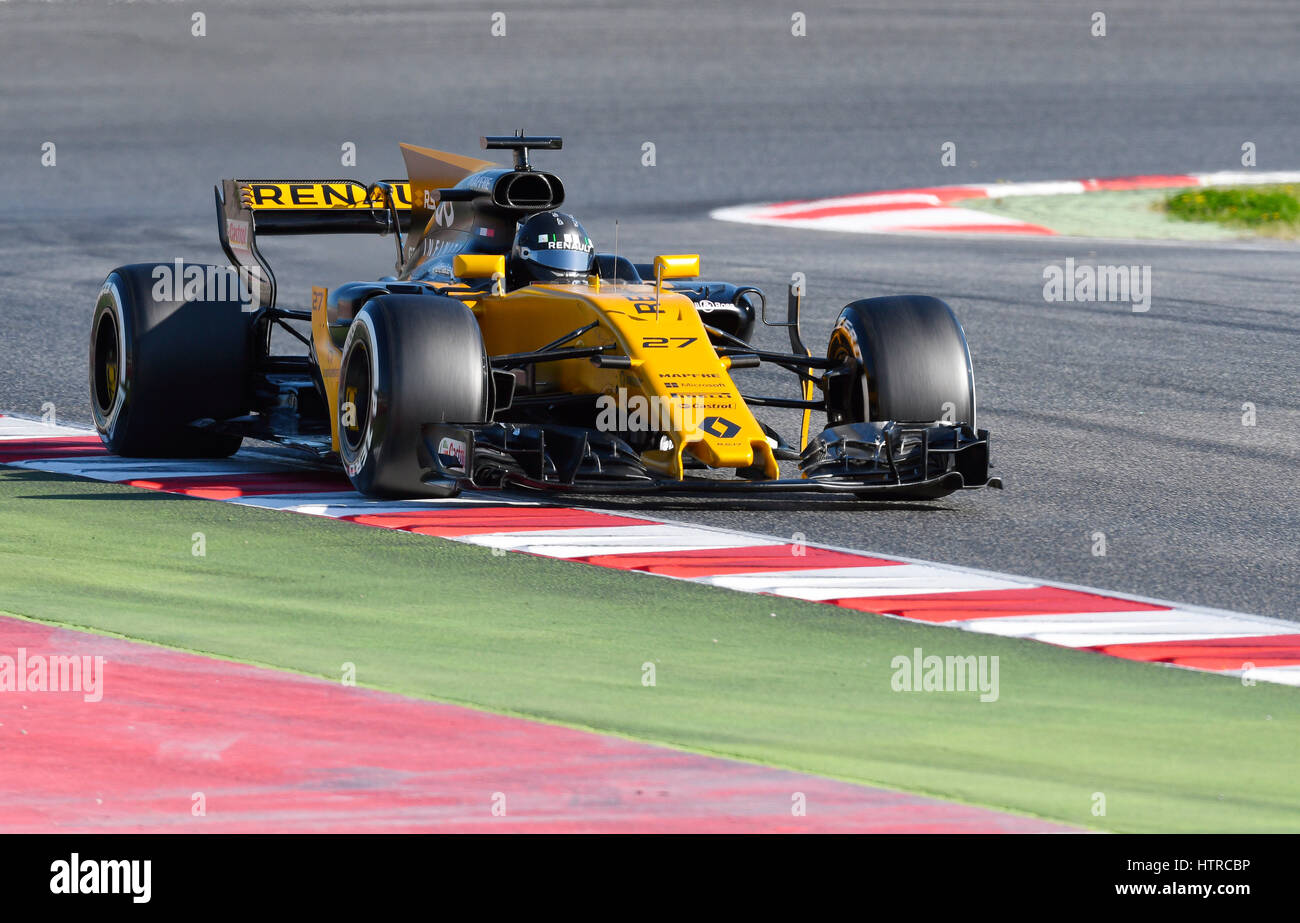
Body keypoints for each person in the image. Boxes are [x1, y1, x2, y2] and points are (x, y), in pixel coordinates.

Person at [506, 211, 595, 289]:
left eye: (577, 259)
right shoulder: (498, 288)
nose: (567, 278)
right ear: (524, 253)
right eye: (555, 258)